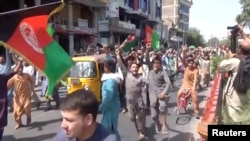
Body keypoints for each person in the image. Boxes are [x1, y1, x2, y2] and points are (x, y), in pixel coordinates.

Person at [219, 39, 250, 123]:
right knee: (239, 117)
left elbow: (221, 66)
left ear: (239, 49)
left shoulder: (236, 61)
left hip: (233, 97)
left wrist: (233, 56)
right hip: (244, 95)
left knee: (233, 120)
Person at [0, 58, 23, 141]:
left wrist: (20, 62)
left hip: (1, 106)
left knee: (1, 125)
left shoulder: (3, 77)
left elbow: (14, 72)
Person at [99, 60, 121, 140]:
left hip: (111, 107)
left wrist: (100, 108)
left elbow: (109, 97)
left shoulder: (110, 81)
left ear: (107, 68)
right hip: (111, 106)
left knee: (109, 128)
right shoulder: (110, 79)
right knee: (111, 128)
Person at [7, 65, 35, 129]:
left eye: (21, 69)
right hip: (17, 98)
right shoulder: (14, 77)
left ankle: (28, 117)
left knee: (27, 108)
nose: (20, 70)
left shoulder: (26, 75)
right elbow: (7, 85)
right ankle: (19, 123)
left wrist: (32, 90)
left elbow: (32, 82)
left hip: (26, 96)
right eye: (19, 69)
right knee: (16, 113)